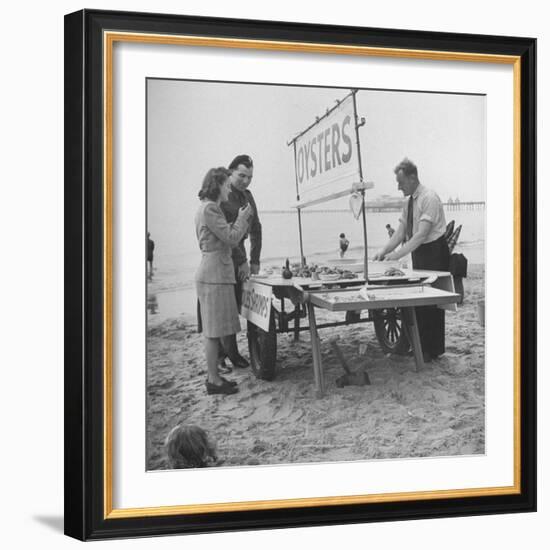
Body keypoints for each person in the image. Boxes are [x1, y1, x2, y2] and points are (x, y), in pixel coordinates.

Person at [373, 158, 449, 362]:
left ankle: (432, 350)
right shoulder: (408, 202)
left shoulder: (429, 198)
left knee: (433, 302)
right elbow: (400, 233)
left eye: (401, 181)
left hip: (434, 251)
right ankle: (420, 346)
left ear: (413, 177)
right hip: (419, 251)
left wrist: (397, 255)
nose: (398, 186)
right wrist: (383, 252)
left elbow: (421, 235)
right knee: (419, 299)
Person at [195, 167, 252, 394]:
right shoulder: (210, 208)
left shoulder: (208, 208)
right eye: (226, 184)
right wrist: (242, 218)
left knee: (214, 331)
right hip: (214, 275)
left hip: (214, 273)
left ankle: (215, 377)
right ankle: (214, 380)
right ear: (217, 185)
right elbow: (231, 238)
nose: (229, 188)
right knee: (213, 332)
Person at [218, 154, 262, 369]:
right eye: (242, 175)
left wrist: (254, 260)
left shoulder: (248, 196)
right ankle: (226, 355)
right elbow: (227, 235)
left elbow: (256, 229)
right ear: (230, 172)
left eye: (250, 177)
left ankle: (231, 353)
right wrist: (243, 261)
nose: (245, 181)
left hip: (242, 255)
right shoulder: (222, 195)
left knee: (237, 304)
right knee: (224, 308)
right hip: (224, 256)